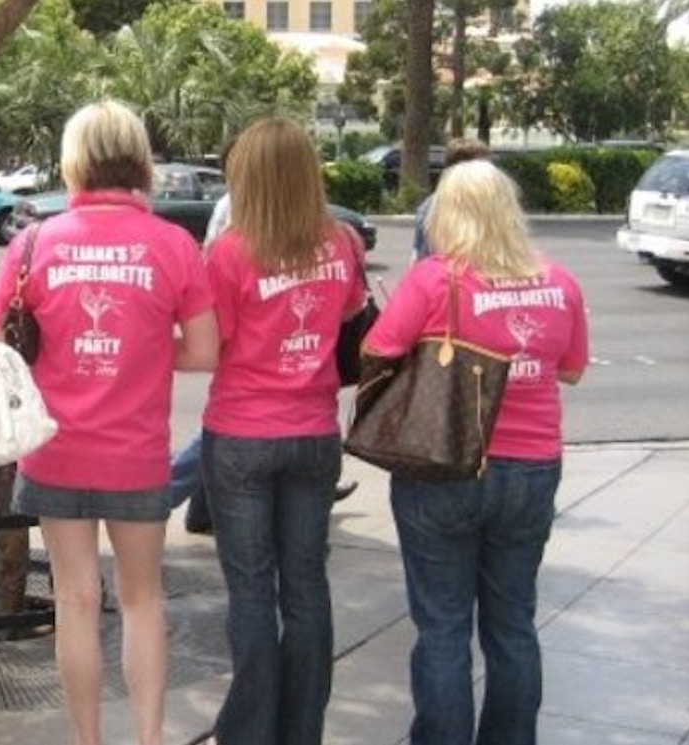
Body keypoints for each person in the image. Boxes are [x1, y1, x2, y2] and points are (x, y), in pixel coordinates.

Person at [0, 100, 218, 745]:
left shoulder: (34, 243)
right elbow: (204, 351)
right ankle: (149, 737)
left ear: (75, 162)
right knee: (142, 602)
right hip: (136, 456)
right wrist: (147, 352)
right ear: (139, 160)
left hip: (56, 453)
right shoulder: (173, 244)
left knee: (76, 602)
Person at [365, 160, 589, 743]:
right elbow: (572, 371)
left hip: (446, 465)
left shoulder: (438, 278)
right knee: (513, 624)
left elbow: (379, 348)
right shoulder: (559, 282)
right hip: (534, 467)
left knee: (442, 627)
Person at [199, 117, 368, 744]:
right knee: (305, 583)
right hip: (315, 432)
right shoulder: (341, 241)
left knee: (249, 589)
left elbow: (213, 344)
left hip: (242, 432)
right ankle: (302, 731)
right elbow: (351, 317)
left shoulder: (230, 252)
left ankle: (249, 733)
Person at [412, 137, 493, 261]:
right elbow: (419, 258)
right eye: (483, 168)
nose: (490, 174)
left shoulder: (489, 205)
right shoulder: (432, 209)